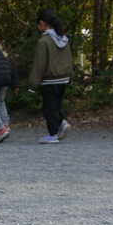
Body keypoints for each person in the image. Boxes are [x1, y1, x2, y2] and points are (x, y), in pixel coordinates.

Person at [30, 8, 73, 144]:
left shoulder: (43, 42)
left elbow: (39, 64)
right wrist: (71, 76)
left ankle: (53, 134)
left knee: (49, 108)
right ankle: (63, 122)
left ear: (42, 23)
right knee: (56, 104)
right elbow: (69, 59)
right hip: (64, 78)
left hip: (50, 80)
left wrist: (33, 84)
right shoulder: (63, 39)